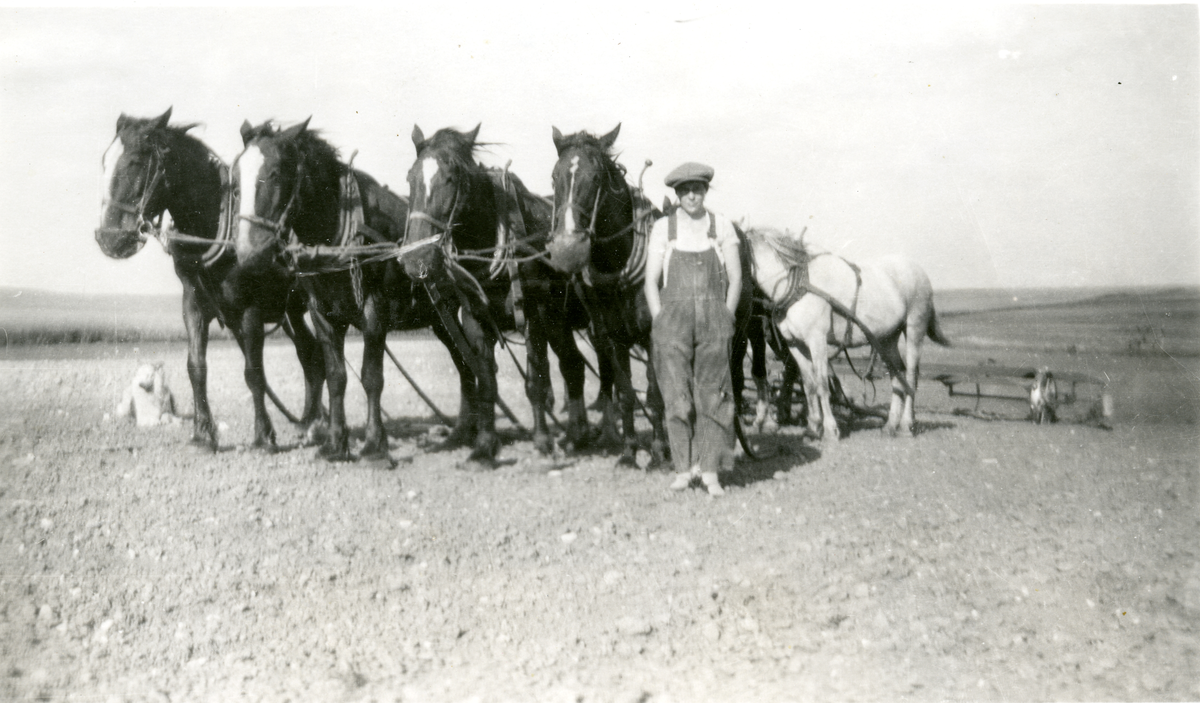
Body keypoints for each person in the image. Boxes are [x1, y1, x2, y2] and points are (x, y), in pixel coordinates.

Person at [644, 162, 741, 496]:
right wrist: (660, 320)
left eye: (697, 189)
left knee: (713, 394)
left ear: (705, 191)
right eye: (685, 190)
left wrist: (725, 316)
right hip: (673, 322)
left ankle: (711, 471)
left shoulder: (722, 227)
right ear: (677, 194)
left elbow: (737, 278)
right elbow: (650, 282)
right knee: (676, 395)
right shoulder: (663, 228)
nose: (691, 196)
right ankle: (683, 469)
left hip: (714, 319)